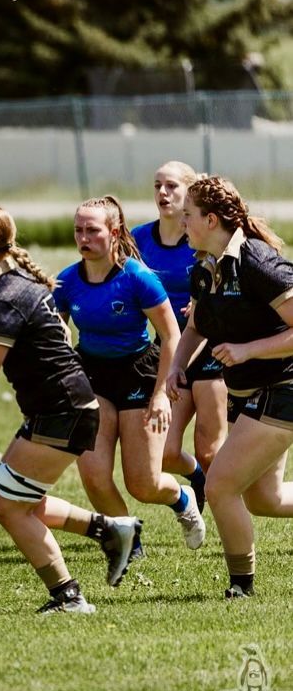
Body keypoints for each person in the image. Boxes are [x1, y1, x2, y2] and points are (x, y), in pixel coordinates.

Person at [0, 206, 141, 613]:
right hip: (62, 407)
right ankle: (108, 530)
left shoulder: (4, 296)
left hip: (61, 410)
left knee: (8, 505)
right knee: (20, 500)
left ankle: (68, 595)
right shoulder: (21, 282)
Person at [55, 195, 204, 557]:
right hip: (92, 375)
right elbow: (58, 327)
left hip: (139, 374)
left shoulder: (137, 278)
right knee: (93, 474)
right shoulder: (67, 281)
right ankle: (126, 537)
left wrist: (159, 396)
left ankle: (183, 497)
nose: (83, 238)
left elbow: (171, 335)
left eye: (93, 230)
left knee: (143, 483)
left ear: (114, 231)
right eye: (78, 230)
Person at [170, 176, 293, 599]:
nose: (181, 222)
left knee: (220, 485)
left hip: (284, 385)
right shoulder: (205, 264)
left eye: (187, 215)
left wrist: (247, 350)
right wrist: (175, 367)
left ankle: (241, 588)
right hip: (247, 392)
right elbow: (196, 323)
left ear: (211, 218)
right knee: (265, 500)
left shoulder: (257, 261)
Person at [131, 161, 220, 509]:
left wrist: (205, 309)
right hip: (169, 352)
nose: (162, 193)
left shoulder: (203, 237)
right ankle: (197, 479)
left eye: (171, 186)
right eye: (157, 186)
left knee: (211, 449)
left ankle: (226, 514)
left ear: (189, 193)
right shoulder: (138, 239)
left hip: (210, 350)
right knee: (165, 453)